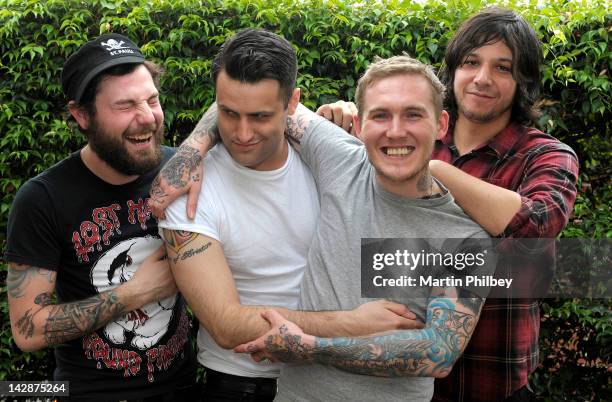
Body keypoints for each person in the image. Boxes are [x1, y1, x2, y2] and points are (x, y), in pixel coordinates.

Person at [157, 52, 497, 400]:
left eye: (413, 114)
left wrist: (311, 347)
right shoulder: (339, 158)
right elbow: (248, 100)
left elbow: (438, 353)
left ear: (441, 124)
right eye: (381, 115)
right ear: (360, 124)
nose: (396, 131)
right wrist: (191, 150)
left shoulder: (467, 240)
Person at [314, 7, 579, 401]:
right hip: (392, 383)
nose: (482, 78)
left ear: (522, 81)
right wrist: (347, 119)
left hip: (491, 384)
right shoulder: (411, 135)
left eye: (502, 68)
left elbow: (539, 222)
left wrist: (435, 168)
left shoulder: (544, 155)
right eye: (471, 62)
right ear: (453, 69)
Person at [5, 33, 197, 401]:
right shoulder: (42, 199)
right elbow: (27, 330)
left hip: (184, 389)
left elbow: (244, 118)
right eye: (125, 106)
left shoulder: (181, 170)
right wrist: (134, 293)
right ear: (81, 115)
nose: (147, 118)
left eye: (152, 100)